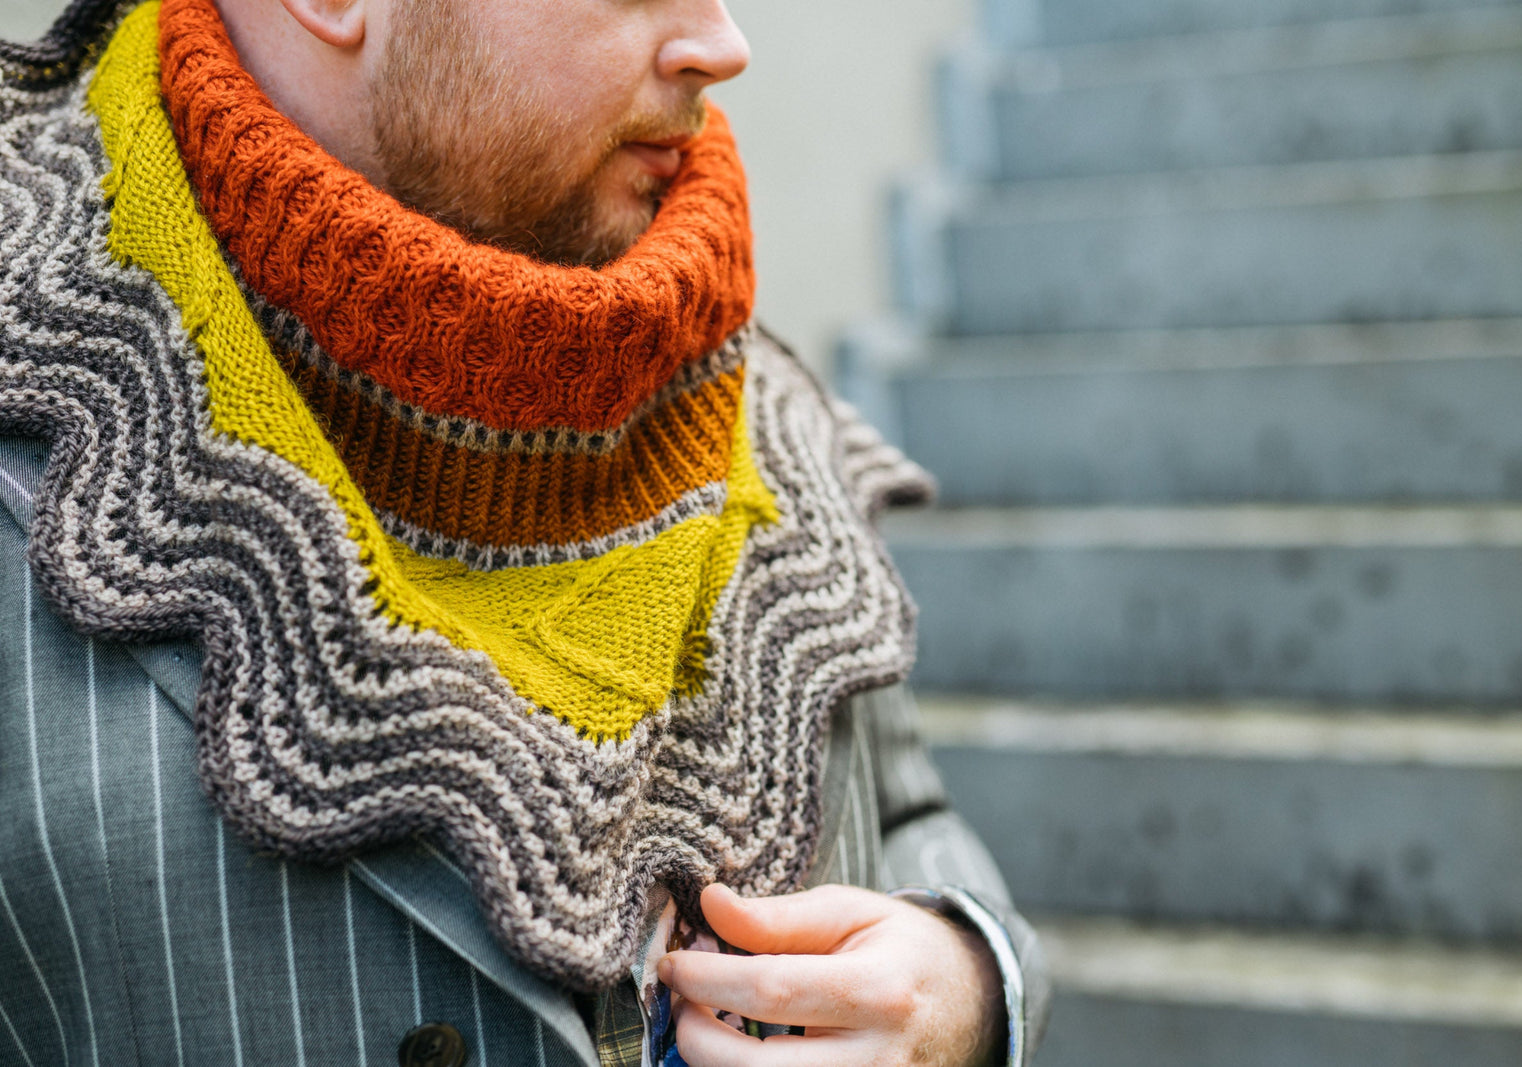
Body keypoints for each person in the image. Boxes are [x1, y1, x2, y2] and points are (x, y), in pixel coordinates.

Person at [0, 0, 1049, 1063]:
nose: (723, 45)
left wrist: (965, 983)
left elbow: (910, 811)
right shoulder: (40, 396)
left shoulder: (730, 373)